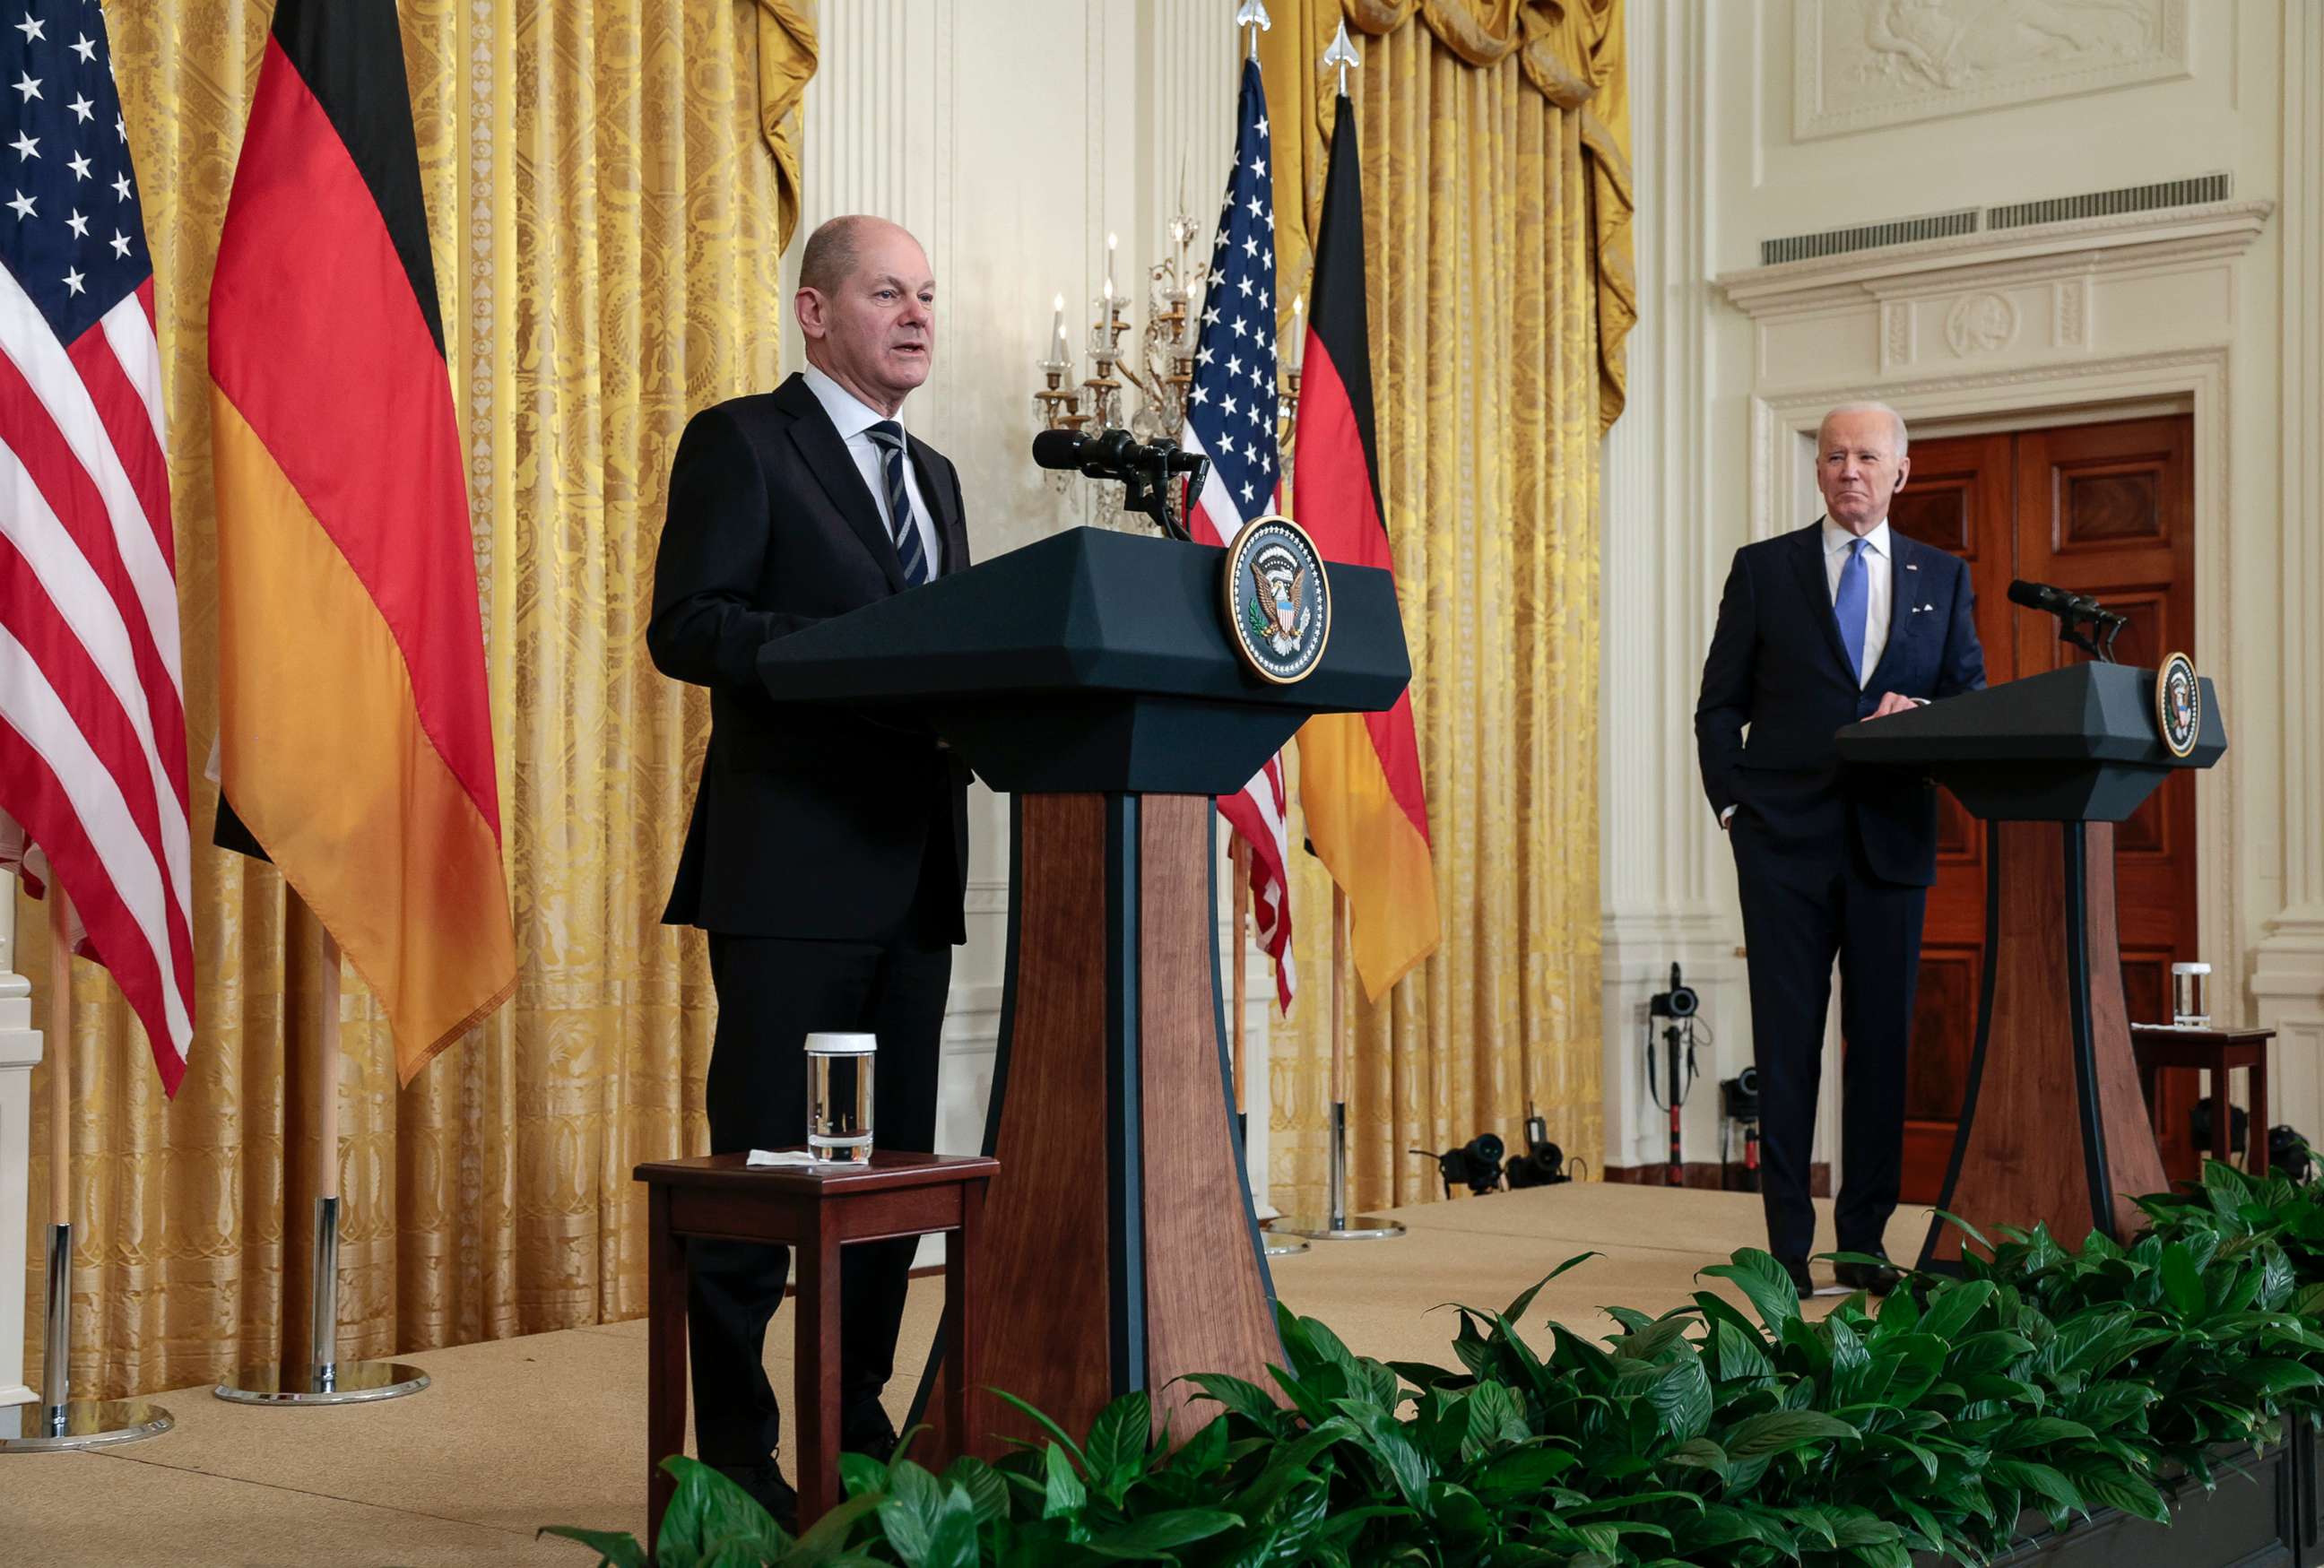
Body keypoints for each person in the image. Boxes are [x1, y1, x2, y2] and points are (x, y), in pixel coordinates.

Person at [646, 214, 969, 1526]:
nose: (917, 315)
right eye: (888, 292)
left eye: (929, 296)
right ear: (815, 312)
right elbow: (689, 625)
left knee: (889, 1184)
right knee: (769, 1180)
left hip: (914, 873)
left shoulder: (938, 475)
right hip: (788, 876)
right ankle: (732, 1460)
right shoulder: (743, 441)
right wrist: (857, 648)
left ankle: (857, 1431)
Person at [1694, 402, 1985, 1299]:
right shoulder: (1765, 570)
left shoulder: (1944, 575)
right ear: (1816, 471)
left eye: (1866, 456)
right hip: (1780, 844)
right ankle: (1785, 1252)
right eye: (1832, 457)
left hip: (1890, 844)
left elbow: (1971, 700)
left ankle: (1863, 1246)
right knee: (1786, 1051)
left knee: (1883, 1050)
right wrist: (1735, 809)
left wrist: (1928, 717)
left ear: (1902, 471)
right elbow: (1717, 706)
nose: (1848, 471)